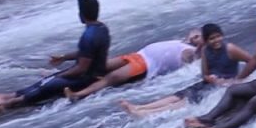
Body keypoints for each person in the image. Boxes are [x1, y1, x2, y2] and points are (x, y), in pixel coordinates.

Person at [0, 0, 110, 111]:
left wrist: (60, 75)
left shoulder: (89, 36)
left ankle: (9, 102)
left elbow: (82, 68)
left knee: (49, 84)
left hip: (89, 79)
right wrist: (64, 57)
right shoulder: (102, 28)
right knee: (47, 80)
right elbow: (86, 54)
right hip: (93, 74)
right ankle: (6, 96)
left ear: (81, 14)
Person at [120, 23, 253, 117]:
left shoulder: (230, 49)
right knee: (177, 96)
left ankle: (144, 113)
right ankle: (139, 107)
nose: (216, 40)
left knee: (185, 102)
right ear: (206, 41)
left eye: (218, 36)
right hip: (209, 83)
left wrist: (238, 79)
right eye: (212, 38)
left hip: (221, 86)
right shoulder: (206, 51)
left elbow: (251, 60)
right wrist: (210, 78)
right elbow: (204, 74)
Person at [64, 31, 202, 102]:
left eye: (199, 37)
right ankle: (60, 73)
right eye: (195, 35)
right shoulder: (183, 41)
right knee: (100, 64)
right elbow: (192, 34)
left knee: (109, 78)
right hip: (138, 55)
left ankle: (77, 95)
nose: (195, 37)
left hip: (145, 65)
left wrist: (201, 48)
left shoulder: (190, 52)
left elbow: (191, 60)